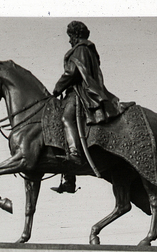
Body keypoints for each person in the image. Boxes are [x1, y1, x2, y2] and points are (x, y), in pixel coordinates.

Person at [50, 20, 125, 194]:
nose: (69, 40)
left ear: (76, 35)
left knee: (65, 118)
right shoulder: (87, 49)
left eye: (70, 36)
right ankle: (69, 179)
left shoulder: (81, 49)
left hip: (81, 93)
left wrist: (56, 89)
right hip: (78, 91)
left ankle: (75, 153)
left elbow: (72, 73)